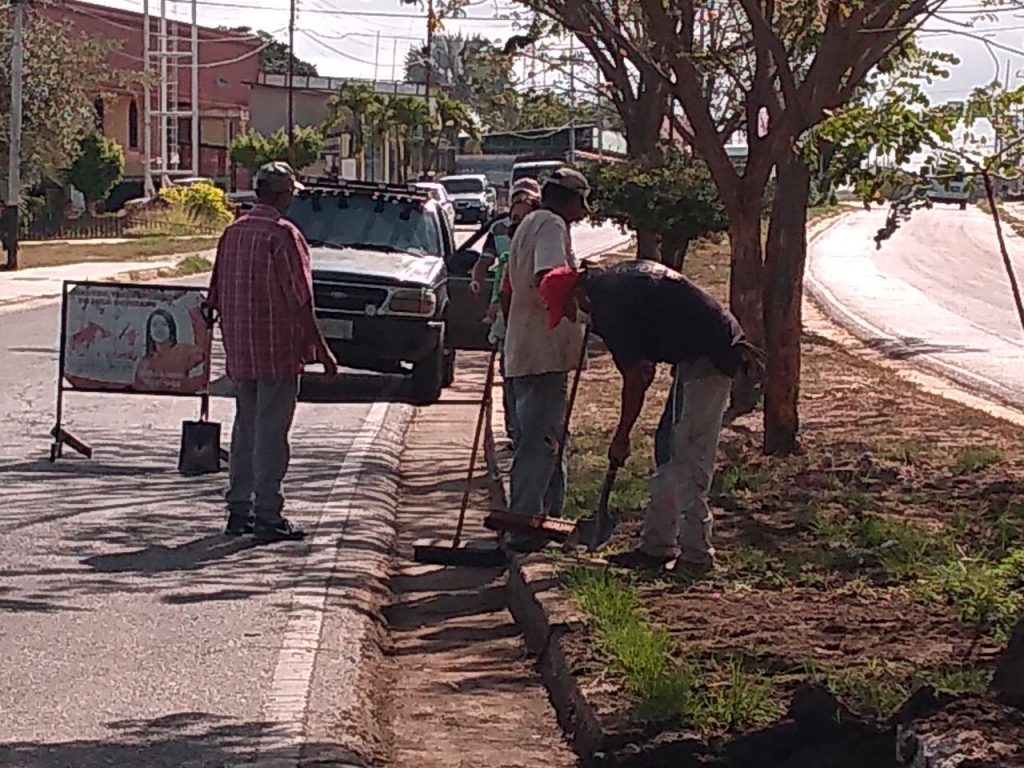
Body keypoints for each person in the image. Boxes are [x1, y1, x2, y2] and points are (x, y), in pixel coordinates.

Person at [538, 259, 765, 574]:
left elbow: (633, 382)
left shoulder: (608, 306)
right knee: (667, 449)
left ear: (577, 295)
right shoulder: (612, 285)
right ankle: (657, 547)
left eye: (565, 310)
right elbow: (645, 357)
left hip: (711, 356)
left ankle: (697, 555)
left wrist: (621, 437)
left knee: (689, 454)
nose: (569, 318)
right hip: (695, 355)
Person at [206, 162, 339, 543]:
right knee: (271, 431)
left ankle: (239, 508)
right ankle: (267, 513)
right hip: (277, 348)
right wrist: (322, 351)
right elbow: (301, 300)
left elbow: (213, 293)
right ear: (282, 196)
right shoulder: (283, 235)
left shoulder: (233, 232)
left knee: (245, 425)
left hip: (240, 348)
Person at [500, 168, 590, 552]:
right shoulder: (551, 225)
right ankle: (524, 525)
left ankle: (547, 516)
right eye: (581, 201)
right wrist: (582, 300)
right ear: (568, 200)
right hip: (542, 354)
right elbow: (549, 279)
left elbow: (507, 290)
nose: (584, 211)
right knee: (541, 443)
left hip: (526, 349)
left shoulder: (528, 224)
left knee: (548, 440)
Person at [469, 178, 542, 448]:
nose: (518, 215)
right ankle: (514, 430)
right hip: (506, 311)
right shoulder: (500, 230)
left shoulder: (542, 230)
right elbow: (484, 261)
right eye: (514, 207)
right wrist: (477, 280)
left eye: (525, 207)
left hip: (533, 312)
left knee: (530, 374)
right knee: (508, 371)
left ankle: (527, 429)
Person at [133, 306, 210, 393]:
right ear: (149, 331)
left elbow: (202, 357)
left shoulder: (184, 351)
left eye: (164, 324)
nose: (159, 329)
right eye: (154, 325)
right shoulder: (144, 363)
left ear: (171, 329)